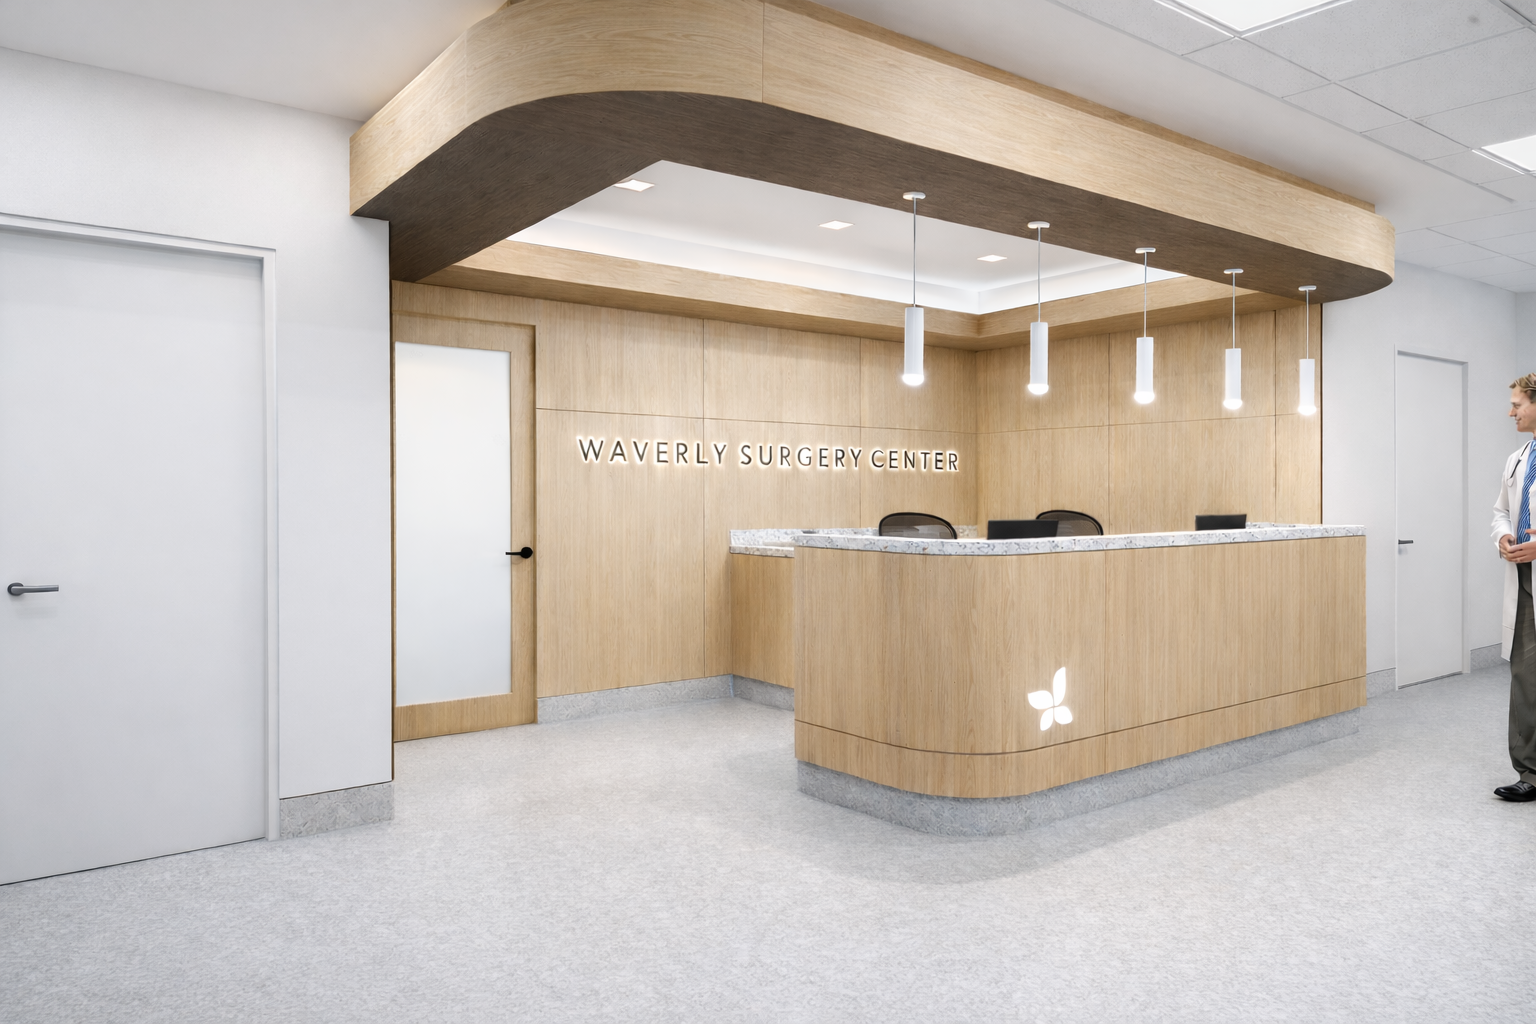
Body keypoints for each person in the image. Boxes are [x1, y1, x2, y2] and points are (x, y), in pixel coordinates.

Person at [1492, 373, 1536, 800]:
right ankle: (1530, 773)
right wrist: (1504, 536)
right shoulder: (1517, 458)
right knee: (1525, 677)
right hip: (1524, 578)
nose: (1511, 413)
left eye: (1517, 405)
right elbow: (1501, 511)